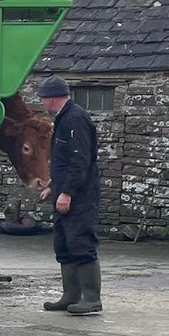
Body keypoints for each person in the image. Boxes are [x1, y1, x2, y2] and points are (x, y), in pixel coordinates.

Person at [37, 76, 101, 314]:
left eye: (43, 98)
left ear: (53, 97)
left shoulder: (75, 119)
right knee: (64, 244)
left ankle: (92, 298)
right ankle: (71, 295)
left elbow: (80, 160)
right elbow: (63, 162)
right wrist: (53, 185)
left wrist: (67, 192)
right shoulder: (64, 119)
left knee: (81, 242)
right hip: (65, 192)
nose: (42, 103)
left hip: (81, 197)